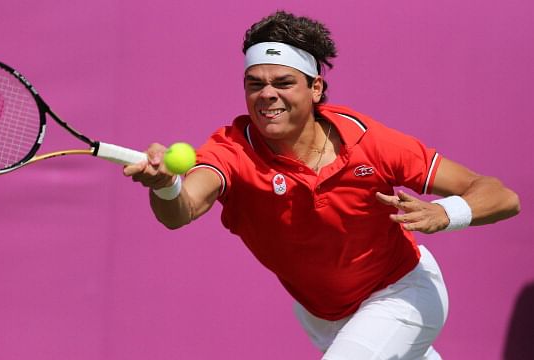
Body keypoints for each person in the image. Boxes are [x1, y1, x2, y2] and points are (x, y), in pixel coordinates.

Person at [123, 11, 520, 360]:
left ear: (315, 89)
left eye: (283, 82)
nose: (267, 95)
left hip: (403, 293)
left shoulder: (371, 142)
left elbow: (502, 196)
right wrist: (165, 186)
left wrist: (444, 213)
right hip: (322, 316)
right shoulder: (230, 149)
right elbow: (182, 211)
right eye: (254, 83)